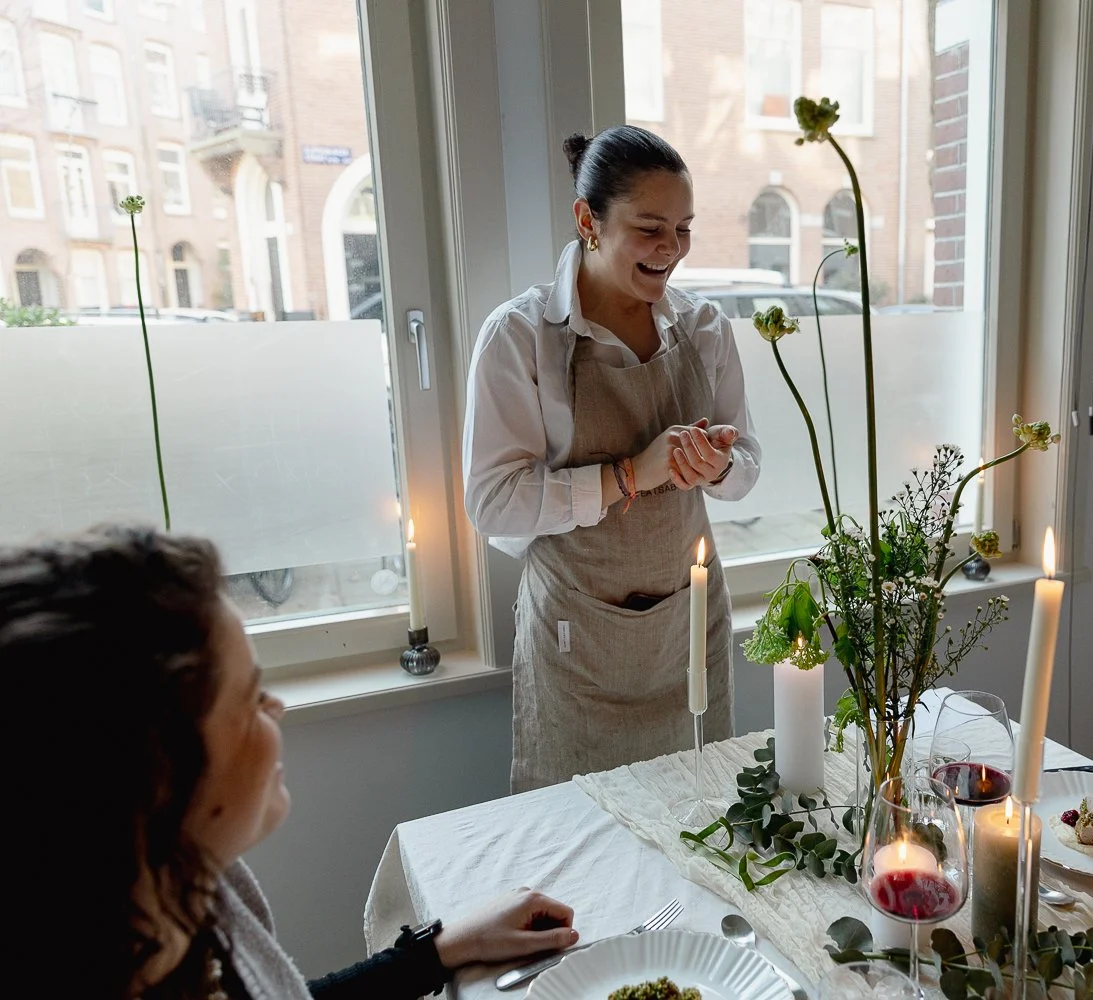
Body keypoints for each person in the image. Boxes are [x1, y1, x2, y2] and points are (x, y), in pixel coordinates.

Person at [4, 526, 579, 999]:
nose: (275, 707)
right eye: (252, 698)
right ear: (157, 778)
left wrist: (442, 948)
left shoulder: (178, 899)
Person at [463, 125, 761, 793]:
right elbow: (493, 502)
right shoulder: (520, 337)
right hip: (577, 647)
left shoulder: (705, 328)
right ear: (587, 221)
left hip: (688, 631)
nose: (671, 249)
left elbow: (747, 465)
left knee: (701, 827)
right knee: (579, 851)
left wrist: (715, 465)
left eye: (683, 228)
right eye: (650, 227)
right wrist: (630, 474)